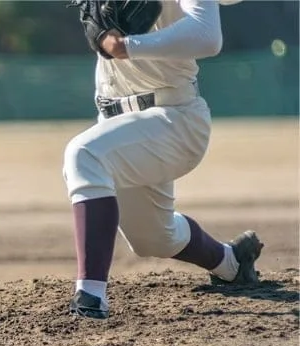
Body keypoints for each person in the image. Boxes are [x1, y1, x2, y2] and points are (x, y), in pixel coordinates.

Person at [64, 0, 263, 320]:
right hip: (117, 120)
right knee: (153, 238)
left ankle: (90, 298)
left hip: (175, 117)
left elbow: (207, 35)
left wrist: (125, 46)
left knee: (84, 155)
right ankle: (232, 262)